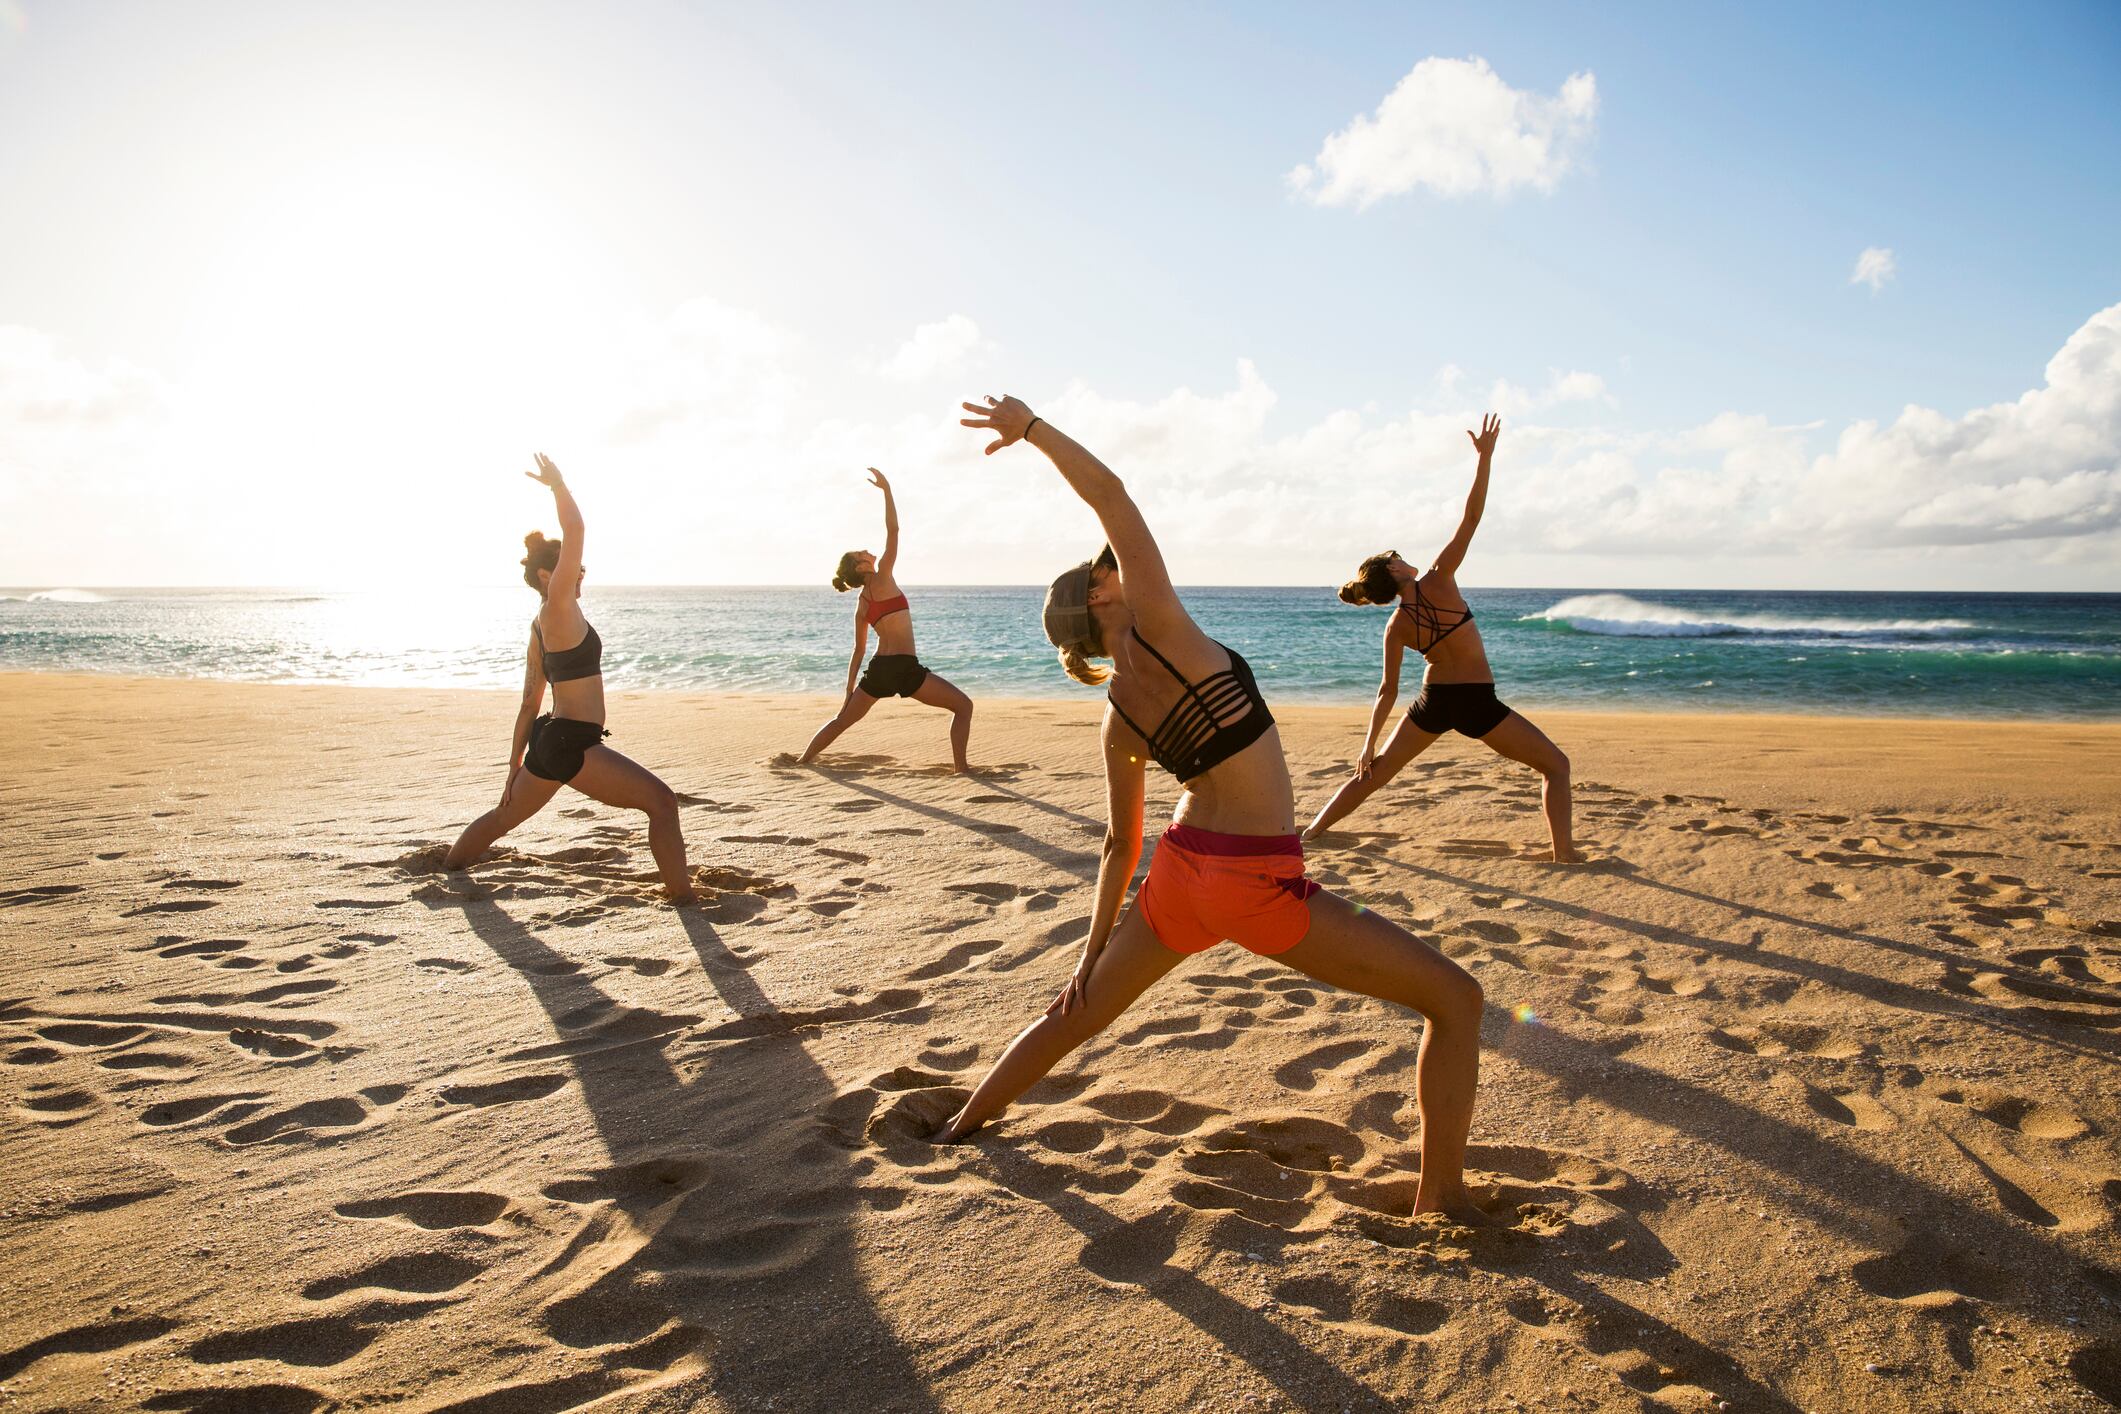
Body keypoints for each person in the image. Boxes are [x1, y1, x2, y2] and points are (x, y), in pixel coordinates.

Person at [930, 395, 1487, 1219]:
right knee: (1457, 1000)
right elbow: (1111, 495)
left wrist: (1087, 961)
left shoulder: (1116, 714)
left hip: (1178, 876)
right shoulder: (1160, 623)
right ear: (1103, 596)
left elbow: (1120, 847)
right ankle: (1442, 1200)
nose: (1116, 564)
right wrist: (1033, 429)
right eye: (1106, 569)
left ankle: (958, 1125)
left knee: (1071, 1016)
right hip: (1255, 884)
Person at [1306, 416, 1579, 863]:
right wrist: (1486, 459)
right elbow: (1471, 518)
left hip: (1434, 701)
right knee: (1557, 766)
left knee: (1373, 775)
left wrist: (1367, 746)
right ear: (1394, 570)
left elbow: (1387, 691)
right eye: (1397, 556)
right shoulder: (1440, 578)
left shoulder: (1396, 625)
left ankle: (1313, 830)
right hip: (1478, 702)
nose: (1404, 557)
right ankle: (1564, 853)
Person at [443, 454, 698, 902]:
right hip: (572, 744)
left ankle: (447, 866)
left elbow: (529, 701)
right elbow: (576, 532)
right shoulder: (557, 604)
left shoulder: (540, 625)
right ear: (548, 575)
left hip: (549, 740)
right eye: (571, 568)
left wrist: (514, 766)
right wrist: (559, 487)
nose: (580, 572)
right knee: (661, 802)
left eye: (580, 568)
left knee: (503, 818)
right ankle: (685, 899)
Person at [797, 468, 975, 773]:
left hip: (881, 669)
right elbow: (893, 531)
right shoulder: (884, 577)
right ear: (860, 565)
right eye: (861, 552)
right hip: (906, 669)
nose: (868, 551)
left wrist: (849, 691)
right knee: (964, 706)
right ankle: (962, 769)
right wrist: (887, 490)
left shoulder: (862, 603)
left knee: (842, 721)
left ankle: (802, 761)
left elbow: (858, 650)